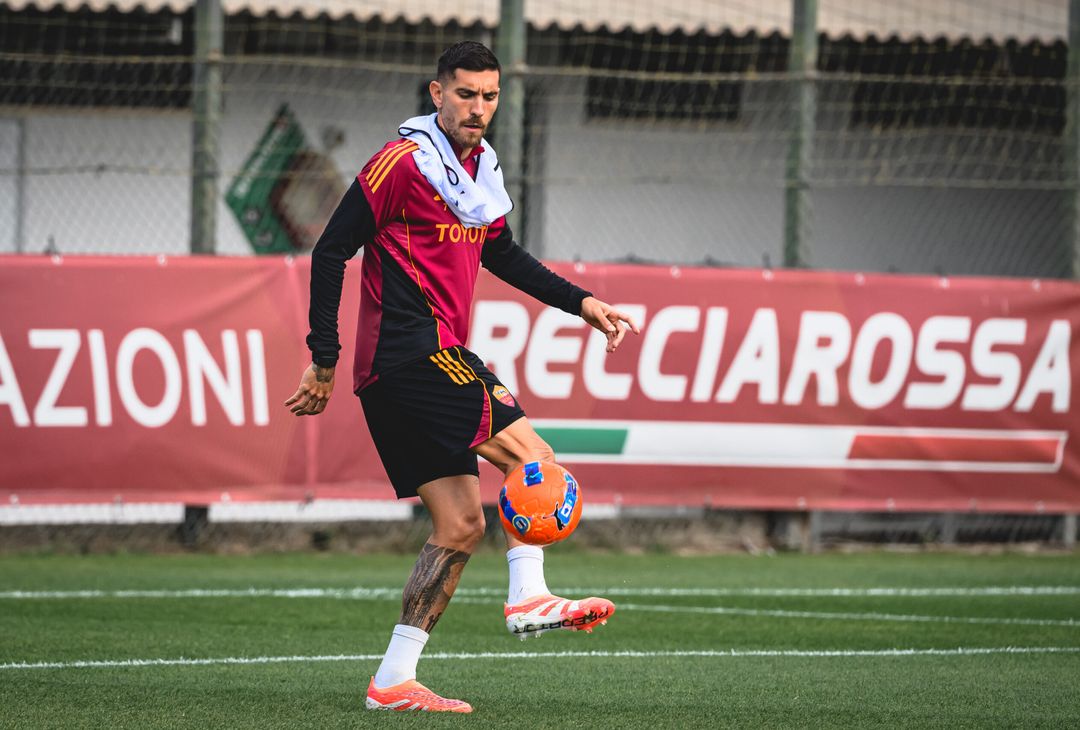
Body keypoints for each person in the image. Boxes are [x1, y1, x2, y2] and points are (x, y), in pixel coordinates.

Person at [284, 40, 639, 714]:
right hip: (410, 355)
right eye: (466, 94)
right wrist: (322, 357)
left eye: (490, 96)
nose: (479, 108)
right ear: (436, 93)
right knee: (535, 458)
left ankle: (392, 679)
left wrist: (584, 303)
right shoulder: (400, 164)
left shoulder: (478, 172)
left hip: (406, 368)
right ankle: (528, 596)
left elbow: (502, 252)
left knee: (460, 524)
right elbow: (331, 249)